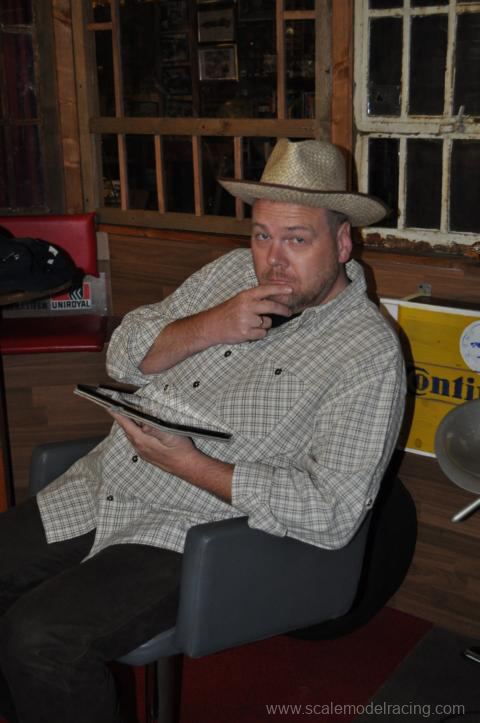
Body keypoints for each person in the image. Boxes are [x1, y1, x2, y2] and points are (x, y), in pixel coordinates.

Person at [0, 139, 406, 723]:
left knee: (38, 641)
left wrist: (189, 464)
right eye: (262, 235)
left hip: (194, 531)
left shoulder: (367, 354)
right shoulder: (229, 274)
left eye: (297, 239)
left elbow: (333, 510)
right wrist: (211, 324)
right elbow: (123, 355)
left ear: (342, 243)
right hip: (102, 486)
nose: (272, 260)